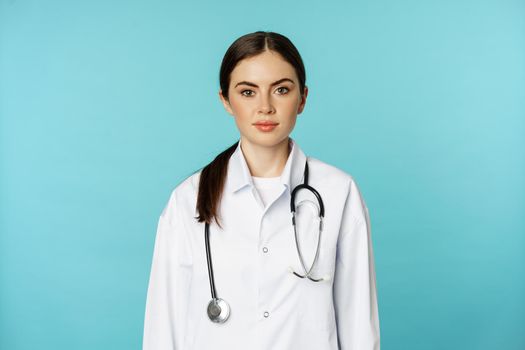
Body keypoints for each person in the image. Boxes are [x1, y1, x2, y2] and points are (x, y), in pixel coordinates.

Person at [142, 30, 380, 350]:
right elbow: (163, 327)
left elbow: (358, 326)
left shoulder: (339, 193)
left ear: (303, 99)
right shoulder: (187, 200)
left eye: (281, 90)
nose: (265, 107)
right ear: (225, 100)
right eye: (248, 92)